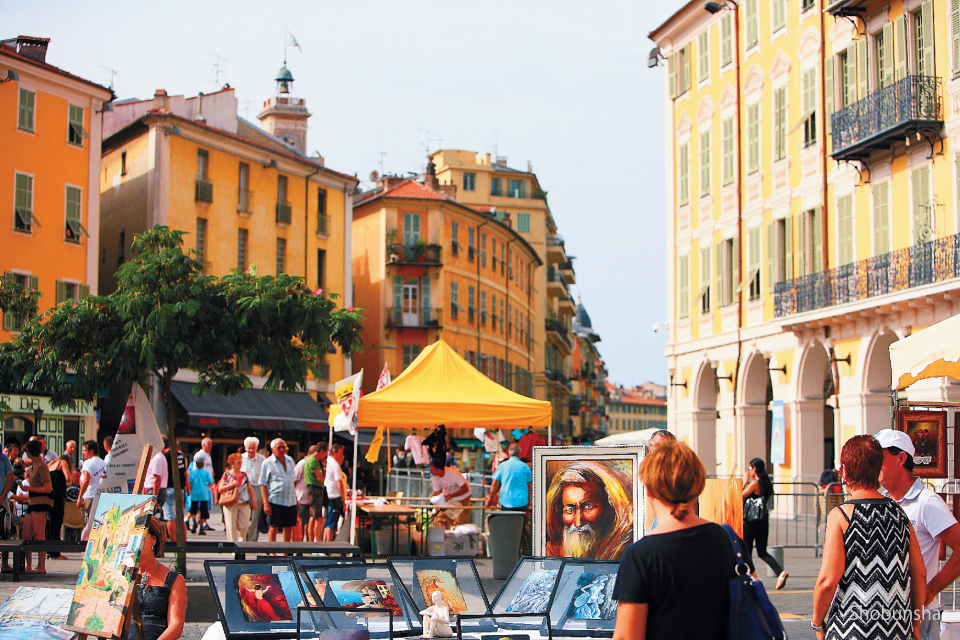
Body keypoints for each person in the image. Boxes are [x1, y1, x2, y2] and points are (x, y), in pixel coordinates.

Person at [613, 441, 738, 640]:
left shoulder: (641, 556)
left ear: (649, 490)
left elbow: (627, 636)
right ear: (697, 486)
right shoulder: (724, 538)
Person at [813, 434, 926, 640]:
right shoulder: (899, 513)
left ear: (845, 471)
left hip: (851, 627)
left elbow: (828, 581)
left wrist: (817, 624)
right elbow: (919, 574)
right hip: (897, 628)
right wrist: (915, 624)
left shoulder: (842, 515)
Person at [876, 428, 960, 640]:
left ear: (901, 458)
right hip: (885, 613)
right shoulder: (882, 501)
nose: (872, 463)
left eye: (879, 456)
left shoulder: (927, 502)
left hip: (919, 615)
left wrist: (930, 590)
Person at [543, 460, 633, 560]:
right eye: (570, 509)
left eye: (588, 507)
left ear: (608, 508)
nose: (578, 522)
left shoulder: (624, 550)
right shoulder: (551, 553)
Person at [129, 516, 187, 640]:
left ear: (153, 540)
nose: (137, 541)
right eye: (133, 537)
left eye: (141, 536)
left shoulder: (174, 580)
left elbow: (176, 625)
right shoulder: (122, 574)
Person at [742, 458, 788, 589]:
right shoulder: (766, 483)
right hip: (763, 520)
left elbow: (740, 496)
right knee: (762, 551)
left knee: (747, 552)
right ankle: (780, 572)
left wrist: (744, 482)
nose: (748, 471)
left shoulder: (755, 484)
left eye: (749, 468)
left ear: (755, 469)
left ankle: (753, 579)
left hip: (751, 521)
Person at [20, 439, 53, 574]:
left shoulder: (41, 466)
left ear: (29, 452)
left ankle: (41, 566)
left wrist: (29, 489)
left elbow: (48, 488)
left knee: (39, 534)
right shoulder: (33, 465)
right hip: (32, 502)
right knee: (26, 534)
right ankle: (28, 565)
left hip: (40, 503)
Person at [259, 439, 297, 542]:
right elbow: (263, 483)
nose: (281, 450)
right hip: (275, 500)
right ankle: (272, 552)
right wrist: (266, 503)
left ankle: (286, 552)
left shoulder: (290, 460)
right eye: (279, 447)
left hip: (290, 500)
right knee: (273, 526)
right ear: (272, 449)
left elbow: (293, 481)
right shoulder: (267, 463)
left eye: (283, 447)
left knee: (288, 527)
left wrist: (296, 499)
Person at [219, 452, 255, 542]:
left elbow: (249, 488)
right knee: (231, 526)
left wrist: (253, 500)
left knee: (245, 525)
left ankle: (242, 542)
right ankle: (233, 546)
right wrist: (231, 484)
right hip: (230, 503)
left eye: (241, 462)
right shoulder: (227, 475)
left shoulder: (244, 475)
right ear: (232, 464)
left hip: (244, 502)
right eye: (238, 462)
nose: (240, 464)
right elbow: (220, 488)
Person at [429, 457, 471, 528]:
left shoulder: (453, 474)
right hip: (448, 497)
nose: (430, 472)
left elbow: (465, 488)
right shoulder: (435, 478)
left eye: (432, 470)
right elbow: (437, 495)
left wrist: (452, 495)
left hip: (463, 496)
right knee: (442, 519)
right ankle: (443, 535)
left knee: (460, 520)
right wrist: (436, 511)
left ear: (438, 470)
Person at [46, 454, 74, 559]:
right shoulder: (63, 463)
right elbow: (68, 478)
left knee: (50, 524)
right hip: (58, 496)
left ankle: (49, 550)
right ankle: (55, 553)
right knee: (57, 523)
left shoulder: (50, 465)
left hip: (49, 497)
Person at [241, 437, 266, 541]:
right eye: (249, 448)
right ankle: (242, 538)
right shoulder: (241, 458)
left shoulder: (262, 459)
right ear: (245, 448)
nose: (251, 450)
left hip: (257, 488)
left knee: (255, 515)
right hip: (244, 488)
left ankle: (252, 539)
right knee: (244, 514)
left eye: (253, 448)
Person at [162, 441, 189, 542]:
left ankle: (173, 541)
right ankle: (184, 540)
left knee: (170, 516)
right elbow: (185, 472)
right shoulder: (181, 456)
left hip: (168, 487)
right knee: (180, 515)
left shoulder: (165, 456)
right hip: (180, 488)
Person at [76, 440, 105, 521]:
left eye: (85, 450)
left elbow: (86, 480)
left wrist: (80, 497)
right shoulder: (103, 463)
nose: (83, 453)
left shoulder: (88, 463)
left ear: (91, 451)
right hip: (100, 496)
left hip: (90, 496)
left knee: (87, 523)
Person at [303, 443, 327, 542]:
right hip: (315, 489)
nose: (325, 455)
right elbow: (320, 478)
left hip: (314, 489)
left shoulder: (313, 460)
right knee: (317, 517)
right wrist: (324, 468)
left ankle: (311, 540)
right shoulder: (313, 461)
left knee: (313, 517)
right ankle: (317, 542)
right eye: (326, 452)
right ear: (321, 451)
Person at [323, 444, 347, 541]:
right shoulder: (335, 465)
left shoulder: (327, 462)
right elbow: (339, 483)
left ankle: (324, 543)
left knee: (328, 521)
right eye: (340, 453)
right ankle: (328, 546)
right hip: (335, 495)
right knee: (331, 523)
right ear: (334, 453)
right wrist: (343, 498)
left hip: (327, 493)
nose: (342, 456)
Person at [187, 452, 214, 535]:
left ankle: (194, 521)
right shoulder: (206, 472)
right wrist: (207, 485)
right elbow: (211, 482)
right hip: (204, 494)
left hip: (194, 493)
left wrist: (189, 490)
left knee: (193, 509)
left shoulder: (193, 472)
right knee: (203, 511)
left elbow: (190, 482)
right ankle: (201, 527)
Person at [294, 447, 314, 540]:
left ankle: (308, 544)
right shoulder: (302, 464)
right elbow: (294, 479)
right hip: (301, 498)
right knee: (302, 523)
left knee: (309, 522)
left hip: (310, 499)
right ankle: (300, 545)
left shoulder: (313, 463)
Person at [0, 443, 15, 572]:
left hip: (2, 501)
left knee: (5, 531)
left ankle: (4, 564)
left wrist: (3, 494)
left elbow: (10, 479)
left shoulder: (3, 459)